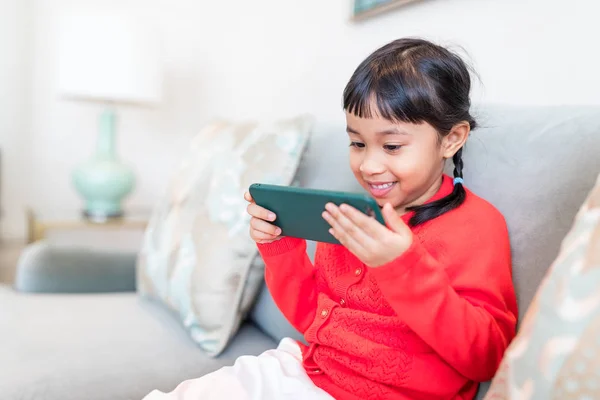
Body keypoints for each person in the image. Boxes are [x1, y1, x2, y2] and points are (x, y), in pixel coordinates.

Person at [143, 37, 518, 400]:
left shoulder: (476, 226)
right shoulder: (347, 217)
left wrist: (402, 267)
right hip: (307, 373)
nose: (369, 165)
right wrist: (280, 246)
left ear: (452, 139)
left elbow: (486, 358)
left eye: (391, 146)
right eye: (357, 143)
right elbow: (312, 320)